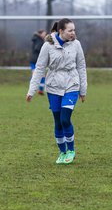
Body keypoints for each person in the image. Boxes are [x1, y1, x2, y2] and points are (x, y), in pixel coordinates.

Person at [26, 18, 87, 165]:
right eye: (70, 30)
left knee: (65, 119)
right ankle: (62, 152)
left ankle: (71, 150)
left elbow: (81, 67)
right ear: (61, 31)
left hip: (72, 84)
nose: (73, 33)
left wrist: (83, 90)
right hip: (53, 86)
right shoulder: (47, 46)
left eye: (74, 30)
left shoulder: (76, 45)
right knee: (58, 121)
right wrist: (32, 90)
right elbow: (40, 68)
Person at [30, 29, 47, 95]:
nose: (45, 35)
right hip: (36, 60)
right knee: (37, 75)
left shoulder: (36, 39)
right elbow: (37, 48)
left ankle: (39, 90)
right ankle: (35, 90)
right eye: (44, 34)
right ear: (40, 34)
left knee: (40, 75)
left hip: (35, 60)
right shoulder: (39, 40)